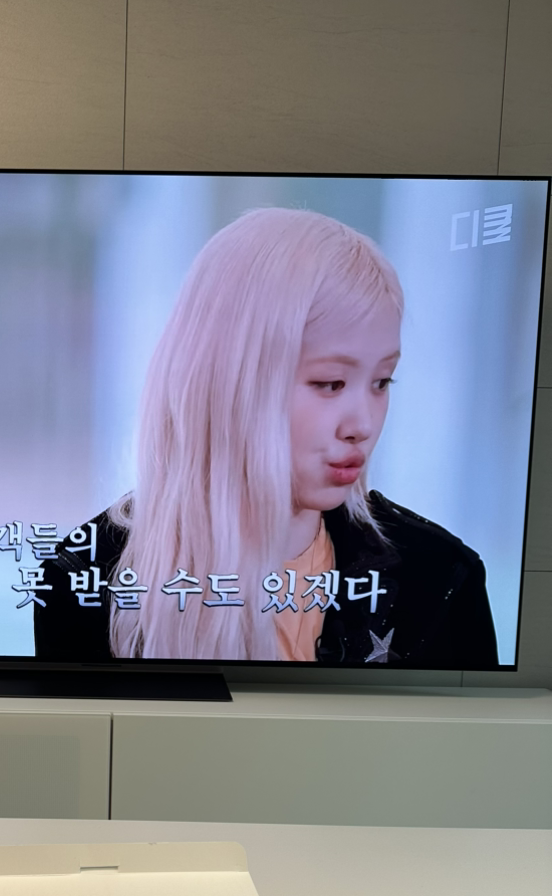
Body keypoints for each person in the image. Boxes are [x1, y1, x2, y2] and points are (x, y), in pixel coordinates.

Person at [34, 207, 498, 668]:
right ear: (233, 379)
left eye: (382, 381)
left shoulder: (439, 577)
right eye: (330, 383)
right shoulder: (85, 578)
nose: (362, 424)